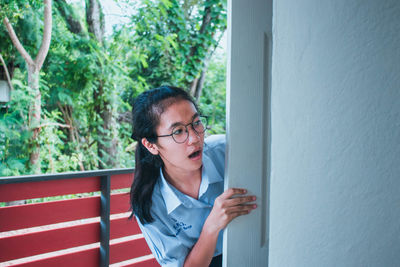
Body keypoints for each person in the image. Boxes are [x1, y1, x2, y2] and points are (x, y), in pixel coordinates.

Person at [130, 86, 257, 267]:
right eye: (178, 131)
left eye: (196, 123)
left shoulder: (228, 151)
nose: (195, 138)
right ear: (151, 145)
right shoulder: (150, 203)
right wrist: (212, 226)